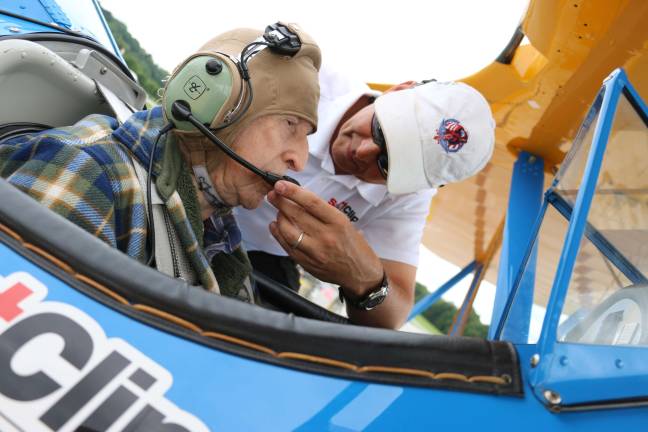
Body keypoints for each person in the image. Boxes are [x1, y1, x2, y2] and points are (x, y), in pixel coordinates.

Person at [0, 23, 321, 301]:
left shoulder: (219, 235)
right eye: (290, 125)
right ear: (214, 108)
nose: (300, 159)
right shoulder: (90, 175)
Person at [235, 65, 495, 328]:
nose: (362, 151)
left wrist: (363, 278)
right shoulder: (306, 77)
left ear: (414, 186)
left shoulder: (407, 196)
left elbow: (393, 315)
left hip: (260, 255)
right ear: (398, 89)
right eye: (381, 129)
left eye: (387, 164)